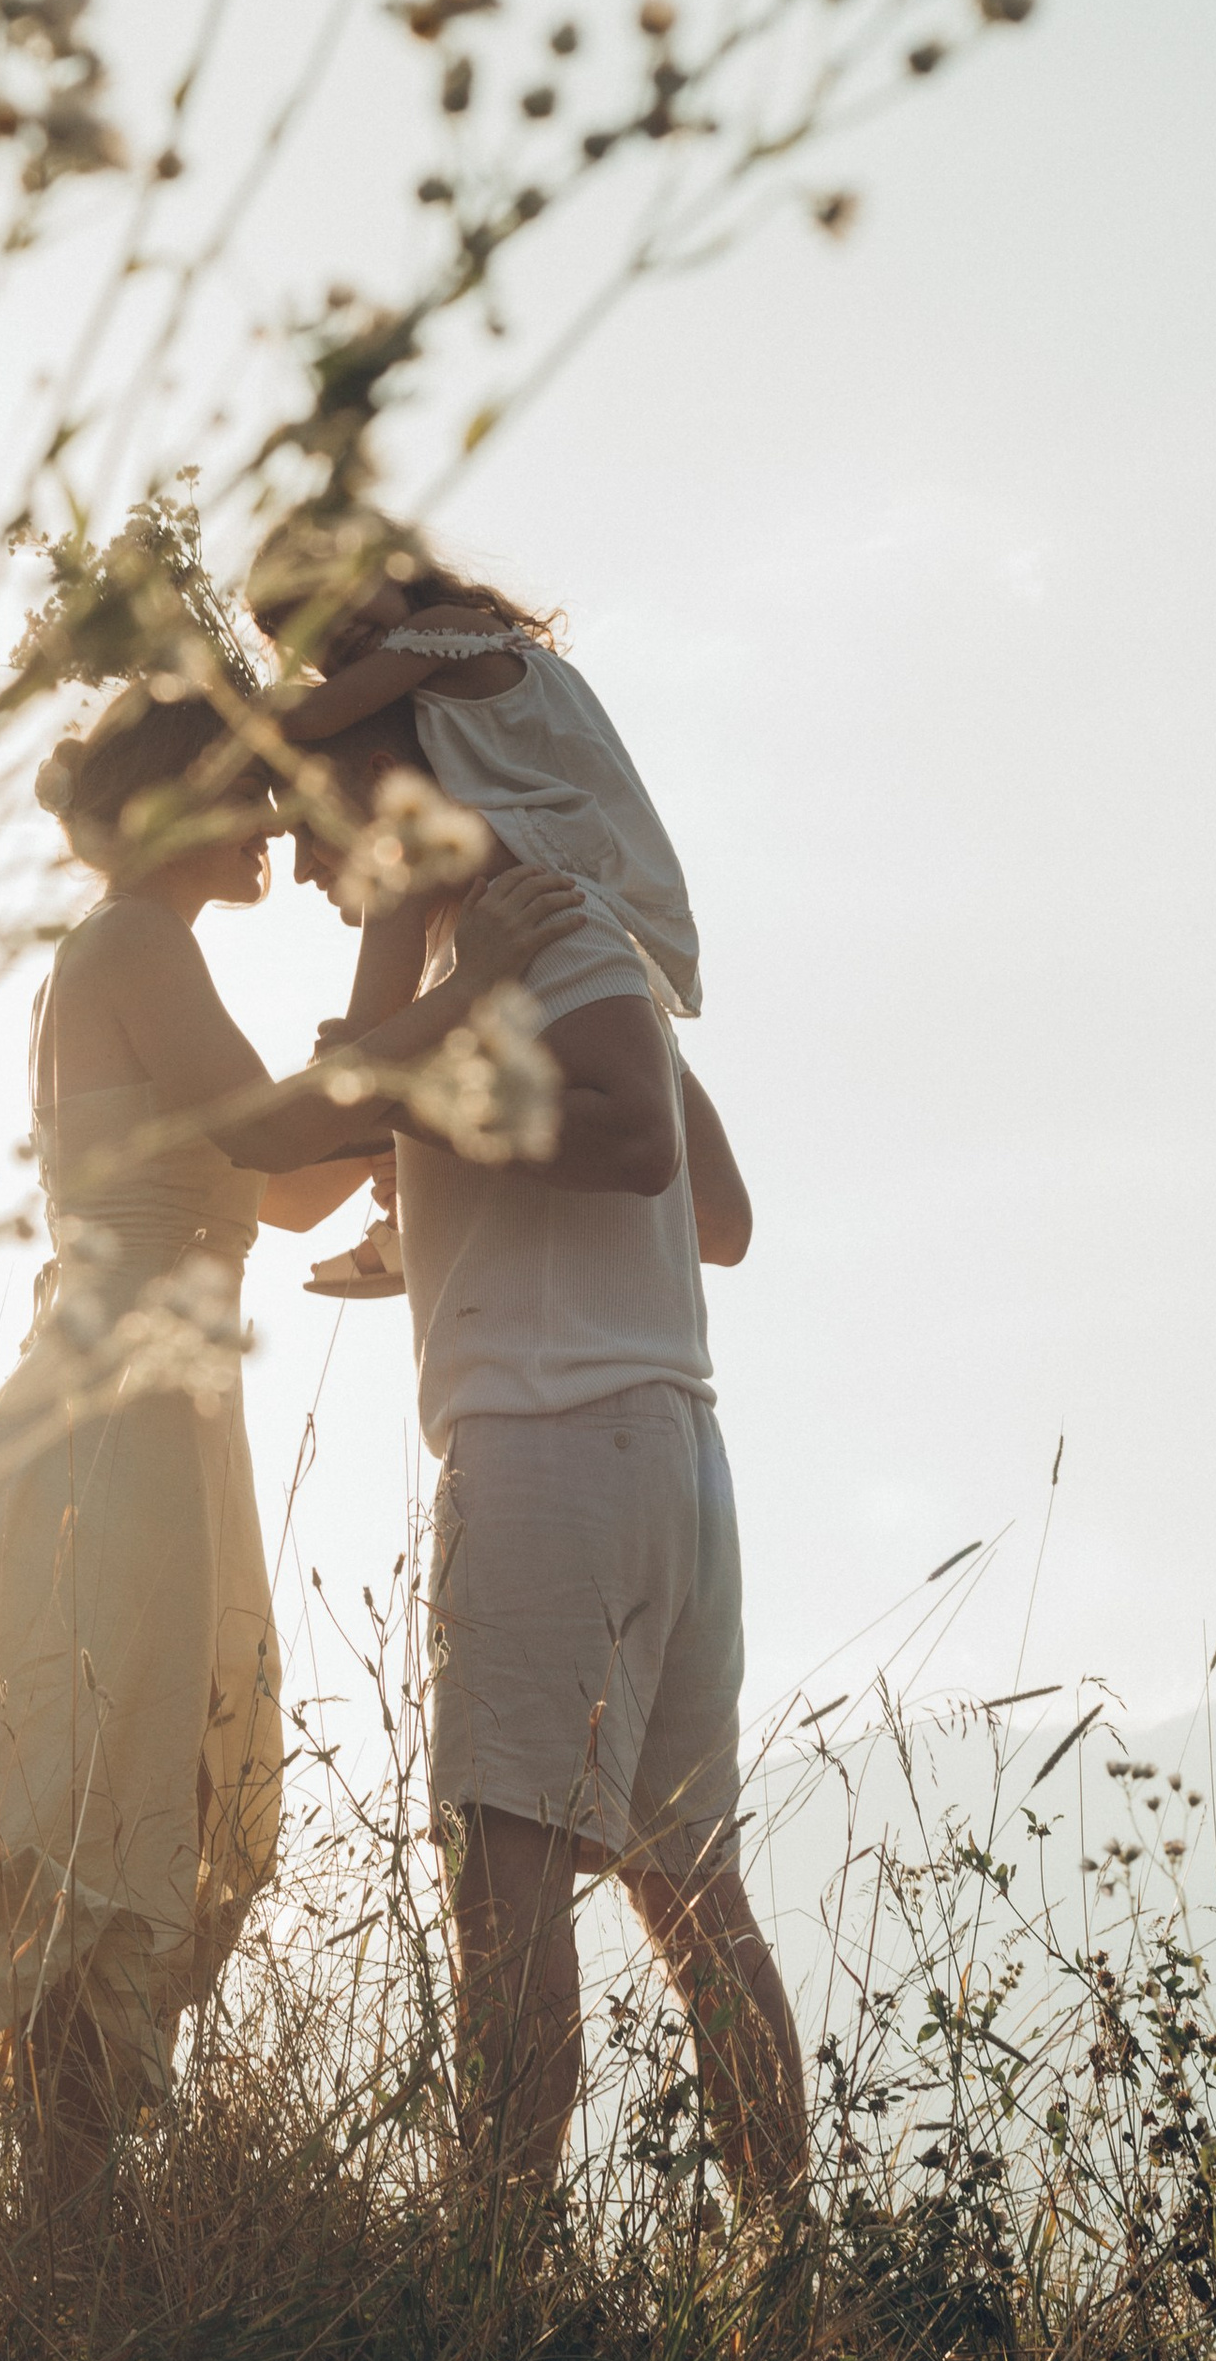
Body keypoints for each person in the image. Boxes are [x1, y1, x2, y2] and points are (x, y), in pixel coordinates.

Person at [0, 679, 587, 2220]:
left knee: (111, 1804)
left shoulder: (147, 950)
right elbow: (273, 1137)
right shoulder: (132, 942)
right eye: (243, 787)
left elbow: (284, 1185)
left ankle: (63, 2229)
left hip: (162, 1417)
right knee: (62, 1796)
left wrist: (420, 1081)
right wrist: (464, 989)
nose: (270, 817)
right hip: (112, 1418)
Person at [258, 531, 806, 2210]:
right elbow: (720, 1216)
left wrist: (424, 1101)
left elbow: (631, 1148)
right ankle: (785, 2276)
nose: (313, 866)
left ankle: (493, 2273)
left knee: (499, 1886)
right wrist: (425, 1145)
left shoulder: (532, 936)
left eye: (318, 821)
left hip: (551, 1439)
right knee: (692, 1892)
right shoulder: (575, 937)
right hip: (673, 1453)